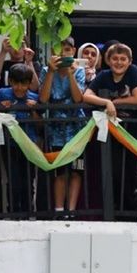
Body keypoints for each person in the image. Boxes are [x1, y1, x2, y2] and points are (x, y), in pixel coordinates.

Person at [83, 43, 137, 210]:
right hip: (108, 133)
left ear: (129, 61)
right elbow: (87, 95)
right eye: (115, 59)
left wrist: (115, 102)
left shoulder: (133, 72)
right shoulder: (103, 75)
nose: (119, 62)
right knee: (111, 171)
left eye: (123, 59)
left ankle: (130, 210)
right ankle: (112, 209)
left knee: (130, 172)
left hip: (130, 132)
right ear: (108, 61)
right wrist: (106, 102)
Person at [39, 37, 86, 216]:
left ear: (73, 52)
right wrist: (51, 72)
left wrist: (70, 73)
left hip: (77, 130)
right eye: (59, 50)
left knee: (76, 170)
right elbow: (43, 99)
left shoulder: (78, 71)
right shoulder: (45, 70)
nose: (63, 54)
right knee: (59, 171)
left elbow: (78, 98)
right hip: (55, 129)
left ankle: (71, 211)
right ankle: (59, 210)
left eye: (67, 50)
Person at [0, 64, 40, 214]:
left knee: (28, 180)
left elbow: (40, 124)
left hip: (29, 145)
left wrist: (33, 110)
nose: (19, 87)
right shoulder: (3, 94)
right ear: (11, 81)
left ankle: (28, 211)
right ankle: (13, 211)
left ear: (29, 83)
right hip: (9, 144)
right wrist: (2, 109)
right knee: (13, 179)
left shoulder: (34, 98)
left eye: (24, 84)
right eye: (16, 83)